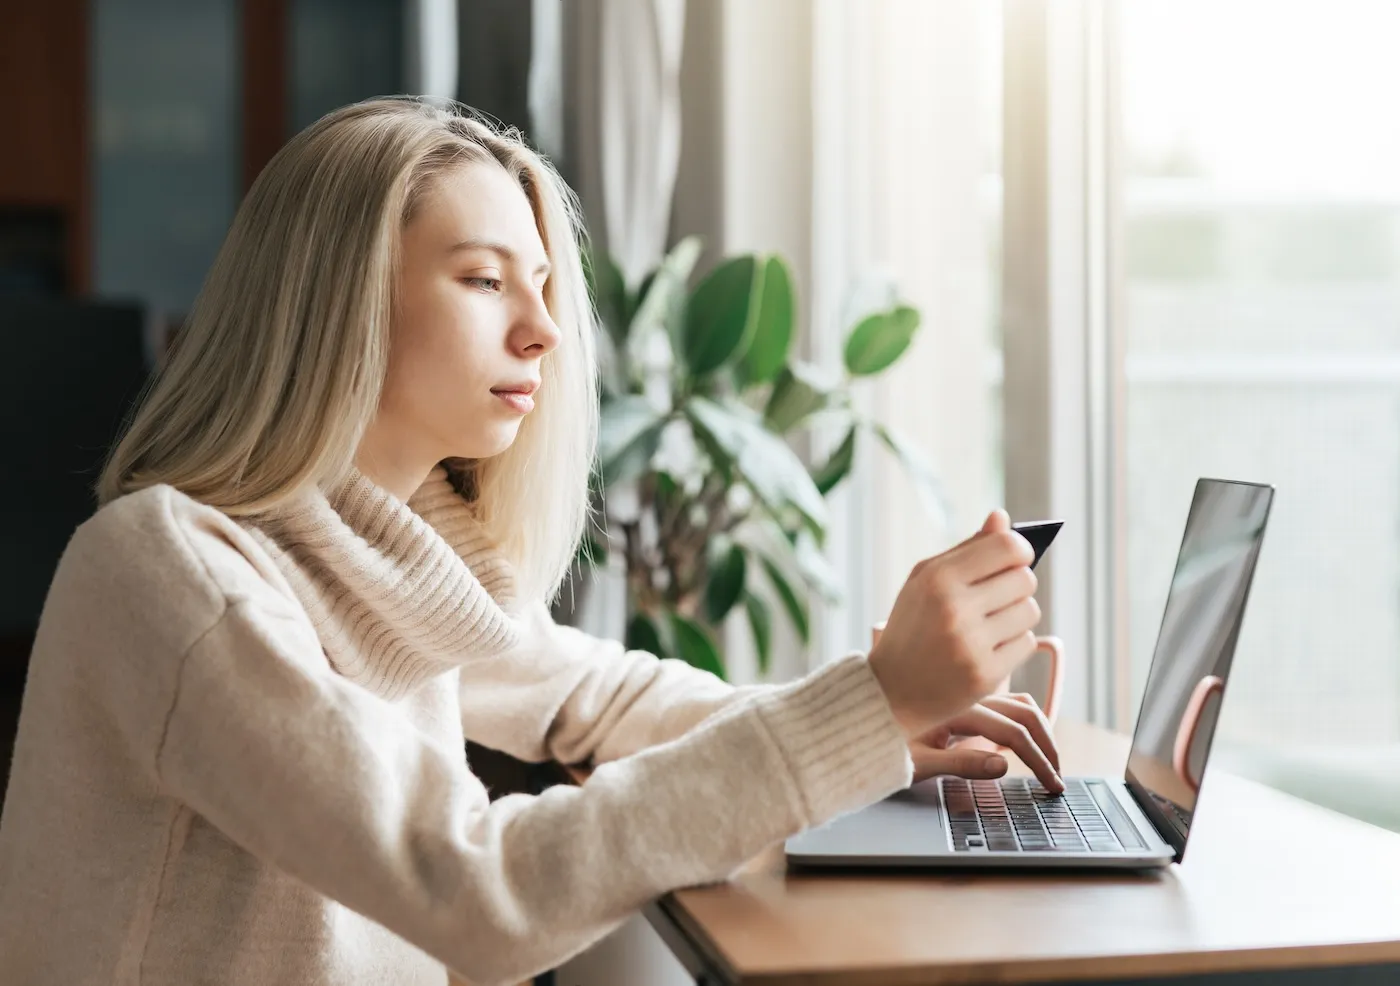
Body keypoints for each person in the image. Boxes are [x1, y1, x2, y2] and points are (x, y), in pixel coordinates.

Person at [0, 97, 1060, 986]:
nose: (545, 329)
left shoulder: (383, 555)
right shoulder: (173, 572)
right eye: (481, 277)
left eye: (543, 285)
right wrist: (866, 704)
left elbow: (596, 697)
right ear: (337, 304)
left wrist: (877, 730)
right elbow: (475, 891)